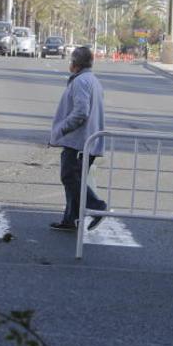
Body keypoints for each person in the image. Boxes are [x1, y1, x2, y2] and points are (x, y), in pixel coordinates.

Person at [49, 46, 108, 232]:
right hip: (87, 141)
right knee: (74, 179)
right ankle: (71, 219)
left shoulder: (81, 82)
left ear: (75, 64)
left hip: (79, 142)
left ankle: (96, 206)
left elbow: (81, 113)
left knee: (70, 177)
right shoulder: (92, 80)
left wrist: (61, 130)